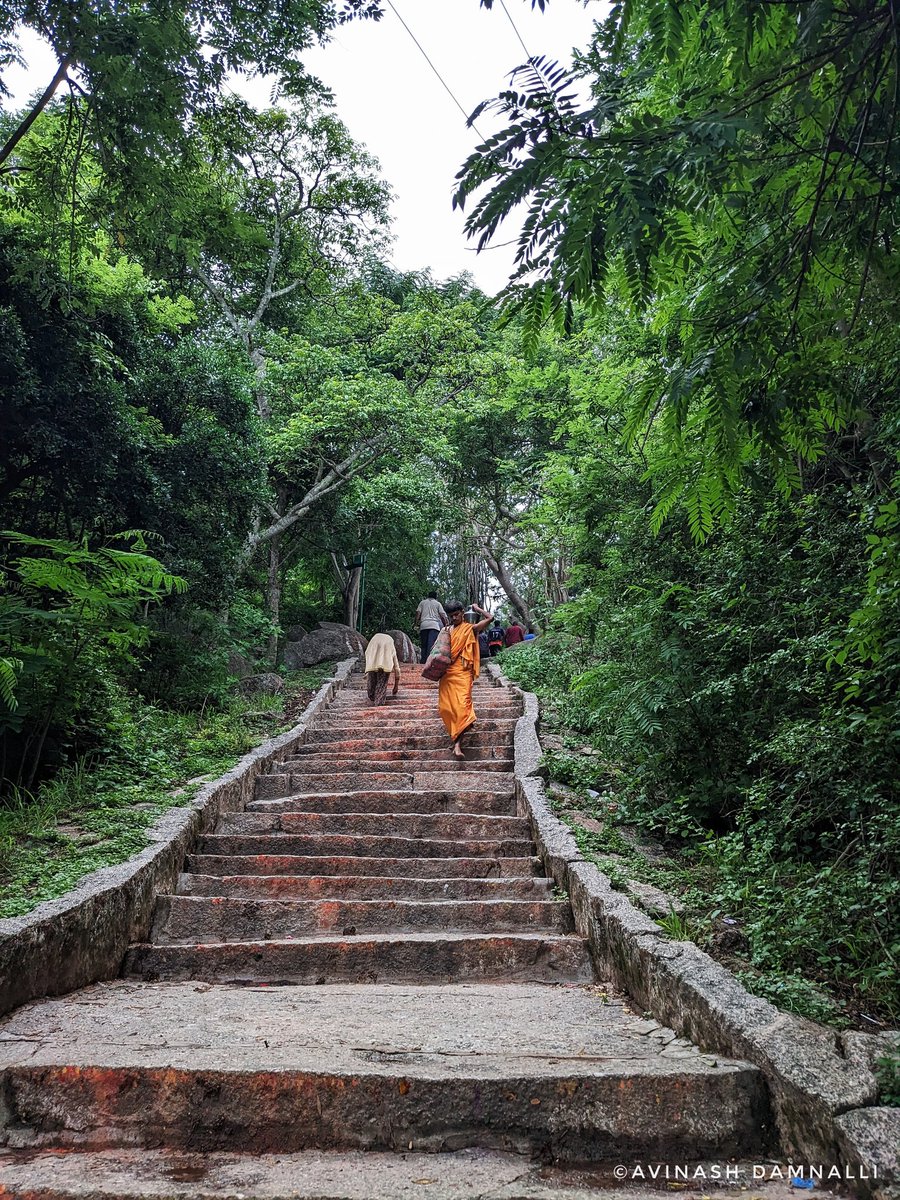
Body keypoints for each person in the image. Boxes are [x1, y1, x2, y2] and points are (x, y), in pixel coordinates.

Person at [438, 600, 492, 760]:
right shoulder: (446, 630)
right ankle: (456, 736)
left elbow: (490, 618)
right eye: (451, 616)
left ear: (462, 612)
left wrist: (476, 609)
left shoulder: (470, 628)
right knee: (446, 708)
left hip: (463, 673)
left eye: (457, 614)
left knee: (463, 707)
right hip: (447, 674)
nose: (454, 618)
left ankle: (457, 745)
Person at [364, 632, 401, 707]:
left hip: (373, 662)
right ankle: (378, 703)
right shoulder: (390, 643)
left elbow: (367, 653)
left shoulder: (374, 640)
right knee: (381, 685)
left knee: (371, 684)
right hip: (385, 664)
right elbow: (397, 668)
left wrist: (367, 670)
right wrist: (396, 686)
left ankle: (373, 698)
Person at [415, 590, 448, 663]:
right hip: (434, 626)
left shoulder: (422, 602)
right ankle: (429, 662)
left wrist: (416, 623)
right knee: (431, 645)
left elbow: (418, 613)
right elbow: (443, 615)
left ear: (428, 596)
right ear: (436, 597)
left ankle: (423, 662)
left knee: (424, 645)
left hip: (424, 625)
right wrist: (446, 625)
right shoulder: (437, 604)